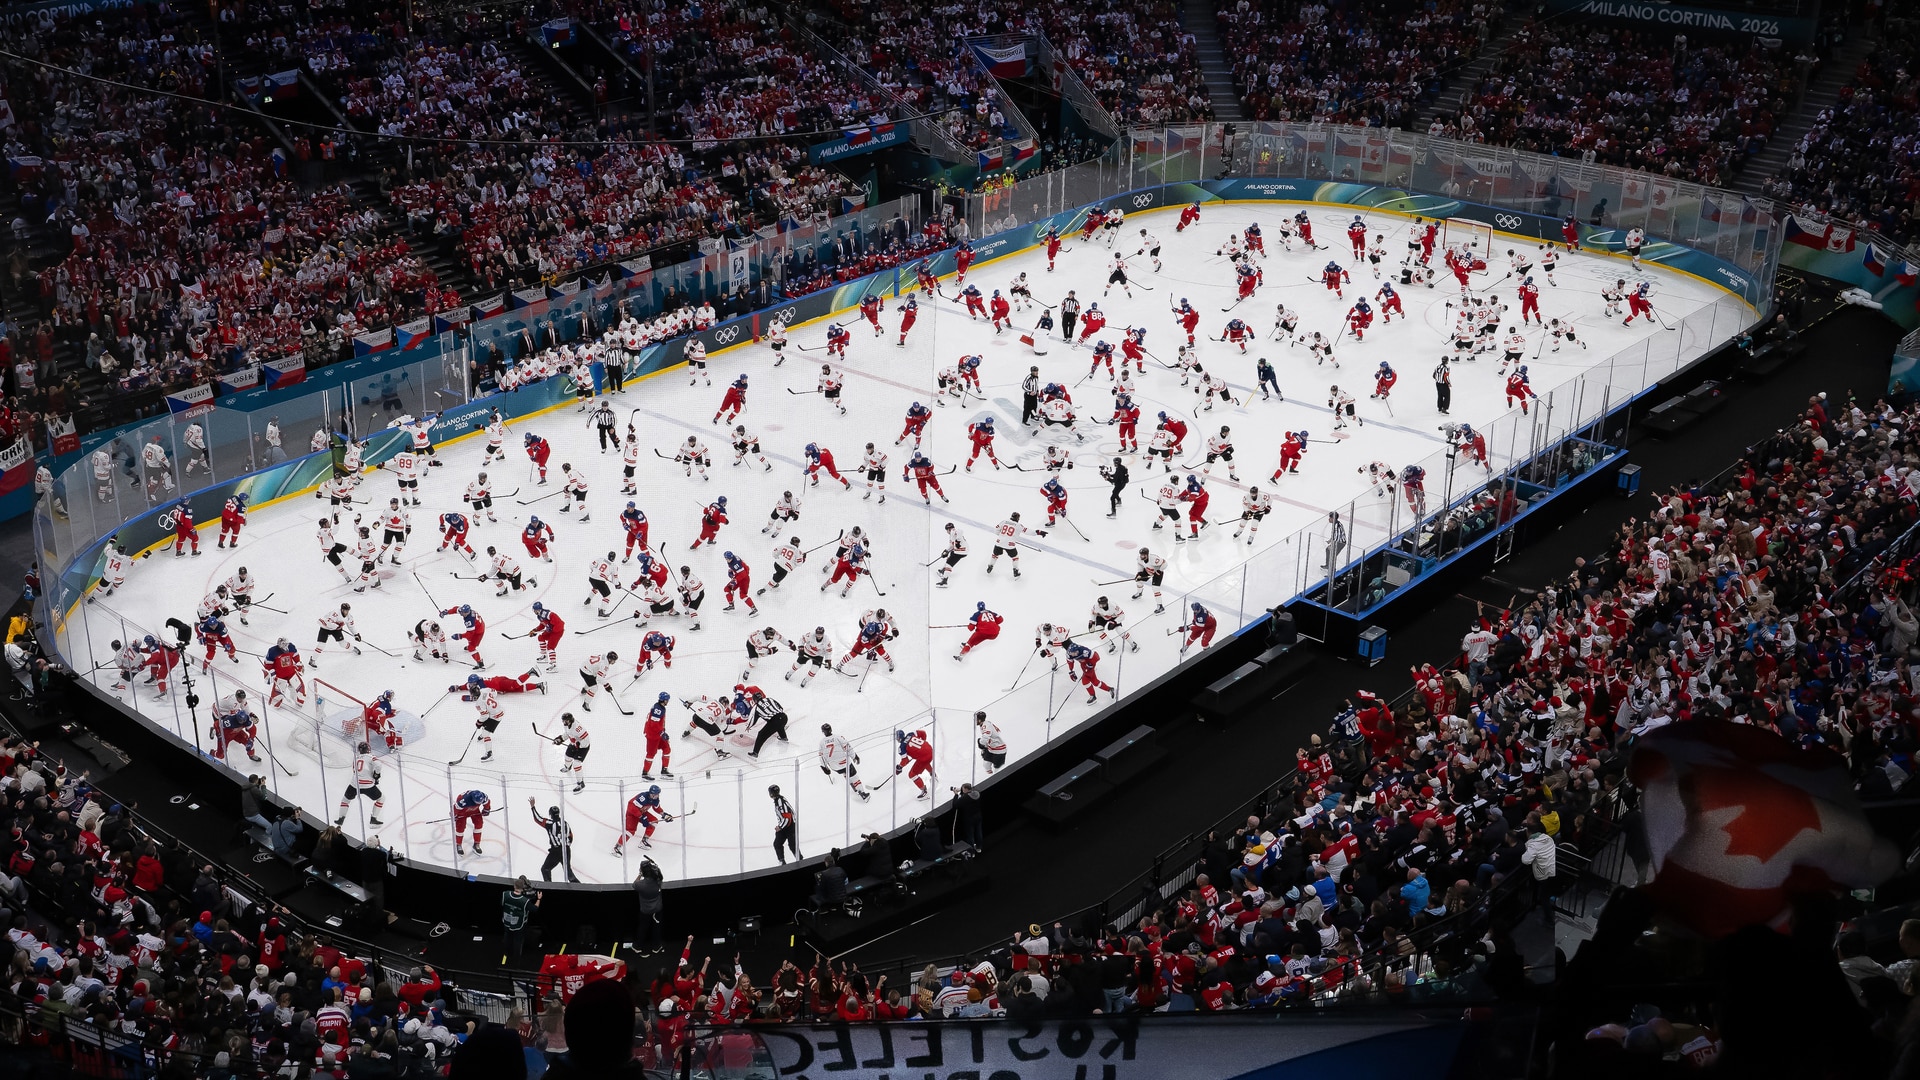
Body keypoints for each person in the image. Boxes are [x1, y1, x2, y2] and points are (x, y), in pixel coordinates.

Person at [502, 876, 540, 962]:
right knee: (517, 940)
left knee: (507, 936)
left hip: (507, 922)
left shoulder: (505, 894)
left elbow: (502, 904)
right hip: (519, 924)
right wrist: (539, 899)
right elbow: (535, 908)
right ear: (522, 888)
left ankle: (507, 953)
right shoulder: (524, 901)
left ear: (514, 886)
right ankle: (516, 958)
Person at [633, 858, 664, 955]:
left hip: (645, 910)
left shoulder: (640, 885)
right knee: (656, 928)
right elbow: (660, 875)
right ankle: (656, 947)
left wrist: (640, 874)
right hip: (657, 909)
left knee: (643, 928)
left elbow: (634, 884)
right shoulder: (658, 880)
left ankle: (638, 947)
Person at [953, 783, 983, 849]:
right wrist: (962, 793)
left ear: (966, 789)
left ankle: (971, 850)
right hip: (978, 816)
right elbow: (968, 795)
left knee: (970, 835)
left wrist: (956, 794)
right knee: (978, 832)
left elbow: (955, 805)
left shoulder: (965, 798)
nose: (962, 790)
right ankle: (979, 847)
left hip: (969, 819)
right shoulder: (977, 793)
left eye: (963, 789)